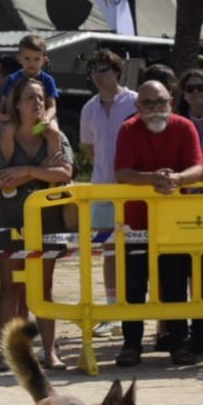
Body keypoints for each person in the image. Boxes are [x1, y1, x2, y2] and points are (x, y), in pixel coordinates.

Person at [112, 80, 203, 367]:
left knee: (175, 284)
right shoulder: (128, 129)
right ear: (138, 107)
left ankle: (179, 344)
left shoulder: (184, 127)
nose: (155, 109)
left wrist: (177, 179)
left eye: (161, 102)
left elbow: (198, 168)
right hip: (135, 223)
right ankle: (131, 345)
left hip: (175, 223)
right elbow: (122, 172)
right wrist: (154, 178)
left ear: (171, 103)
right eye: (148, 103)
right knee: (133, 286)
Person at [0, 77, 75, 371]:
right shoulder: (5, 130)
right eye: (29, 98)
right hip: (9, 217)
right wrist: (40, 173)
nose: (36, 103)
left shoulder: (54, 134)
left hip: (46, 220)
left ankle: (49, 352)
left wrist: (25, 170)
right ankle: (8, 352)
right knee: (10, 286)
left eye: (40, 97)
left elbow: (64, 173)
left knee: (43, 287)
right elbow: (0, 178)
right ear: (17, 104)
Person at [77, 49, 138, 340]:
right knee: (109, 251)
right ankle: (113, 311)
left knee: (139, 250)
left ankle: (137, 308)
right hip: (102, 188)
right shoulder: (88, 108)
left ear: (117, 70)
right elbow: (89, 148)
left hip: (136, 189)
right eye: (94, 70)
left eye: (104, 68)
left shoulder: (136, 101)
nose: (99, 75)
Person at [0, 34, 63, 161]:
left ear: (44, 60)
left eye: (36, 59)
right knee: (5, 130)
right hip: (17, 118)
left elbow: (52, 106)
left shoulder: (48, 80)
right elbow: (2, 105)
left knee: (54, 132)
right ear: (19, 58)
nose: (31, 63)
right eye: (27, 58)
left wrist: (47, 119)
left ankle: (54, 162)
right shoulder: (12, 79)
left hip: (41, 118)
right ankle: (7, 162)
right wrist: (2, 115)